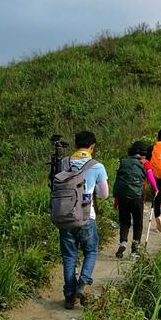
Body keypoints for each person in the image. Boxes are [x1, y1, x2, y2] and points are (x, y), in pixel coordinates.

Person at [61, 130, 108, 309]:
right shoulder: (96, 166)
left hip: (65, 216)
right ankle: (83, 283)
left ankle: (69, 296)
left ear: (75, 145)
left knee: (69, 256)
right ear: (92, 146)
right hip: (87, 216)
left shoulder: (63, 162)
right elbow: (104, 195)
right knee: (91, 251)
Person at [113, 141, 158, 258]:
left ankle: (123, 241)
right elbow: (151, 178)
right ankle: (135, 249)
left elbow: (118, 182)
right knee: (138, 222)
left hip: (122, 196)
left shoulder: (123, 162)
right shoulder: (145, 163)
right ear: (144, 153)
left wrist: (116, 199)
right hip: (136, 197)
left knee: (124, 221)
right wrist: (156, 189)